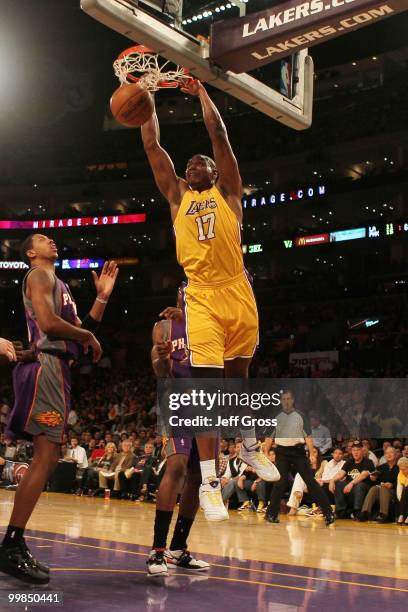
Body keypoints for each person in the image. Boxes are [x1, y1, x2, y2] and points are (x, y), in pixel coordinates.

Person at [141, 80, 279, 521]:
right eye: (188, 163)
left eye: (199, 162)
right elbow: (152, 145)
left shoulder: (229, 193)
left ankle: (251, 447)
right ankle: (210, 482)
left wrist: (199, 89)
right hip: (199, 294)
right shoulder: (178, 197)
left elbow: (219, 134)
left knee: (239, 375)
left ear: (216, 172)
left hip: (238, 289)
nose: (191, 165)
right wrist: (145, 98)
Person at [0, 235, 118, 584]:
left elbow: (82, 332)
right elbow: (51, 325)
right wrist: (85, 338)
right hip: (45, 367)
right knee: (46, 455)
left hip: (57, 368)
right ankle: (11, 543)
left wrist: (101, 299)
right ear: (31, 253)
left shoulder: (60, 282)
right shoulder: (39, 275)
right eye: (41, 238)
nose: (50, 240)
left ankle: (13, 542)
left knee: (48, 457)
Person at [147, 295, 210, 576]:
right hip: (178, 403)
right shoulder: (164, 327)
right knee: (176, 467)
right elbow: (160, 372)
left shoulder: (212, 325)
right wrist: (162, 358)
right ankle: (157, 551)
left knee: (200, 475)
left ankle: (177, 549)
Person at [264, 390, 335, 526]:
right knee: (280, 483)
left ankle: (328, 513)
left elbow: (308, 436)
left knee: (311, 482)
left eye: (288, 399)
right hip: (282, 453)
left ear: (293, 400)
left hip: (298, 452)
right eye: (283, 399)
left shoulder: (301, 416)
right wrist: (266, 453)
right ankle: (270, 514)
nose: (286, 401)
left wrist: (312, 454)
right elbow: (269, 436)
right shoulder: (276, 416)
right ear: (280, 401)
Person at [329, 440, 375, 519]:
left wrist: (351, 484)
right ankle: (341, 511)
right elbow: (341, 473)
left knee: (360, 486)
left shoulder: (368, 462)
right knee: (338, 483)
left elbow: (363, 476)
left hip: (363, 488)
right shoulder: (349, 462)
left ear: (362, 451)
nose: (355, 452)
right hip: (350, 488)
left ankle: (357, 511)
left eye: (358, 450)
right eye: (354, 450)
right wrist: (332, 480)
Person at [358, 446, 398, 522]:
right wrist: (373, 479)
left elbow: (401, 482)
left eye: (391, 453)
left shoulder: (399, 468)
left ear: (396, 455)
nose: (389, 455)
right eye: (387, 453)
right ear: (385, 455)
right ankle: (365, 512)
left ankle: (384, 514)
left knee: (383, 488)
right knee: (374, 488)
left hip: (393, 491)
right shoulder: (380, 467)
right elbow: (376, 481)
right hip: (380, 490)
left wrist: (392, 484)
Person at [287, 447, 327, 515]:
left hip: (318, 484)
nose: (313, 454)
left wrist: (317, 479)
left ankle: (293, 508)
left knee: (299, 477)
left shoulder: (324, 462)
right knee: (299, 475)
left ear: (318, 454)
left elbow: (327, 475)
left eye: (315, 452)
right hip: (307, 485)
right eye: (311, 452)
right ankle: (298, 492)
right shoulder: (306, 464)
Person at [396, 456, 408, 525]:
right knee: (405, 491)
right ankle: (401, 515)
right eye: (400, 469)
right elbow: (399, 489)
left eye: (404, 469)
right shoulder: (400, 474)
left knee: (407, 489)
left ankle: (403, 515)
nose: (402, 471)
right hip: (405, 495)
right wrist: (402, 501)